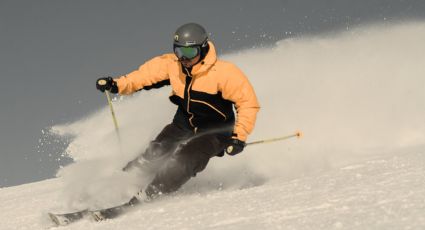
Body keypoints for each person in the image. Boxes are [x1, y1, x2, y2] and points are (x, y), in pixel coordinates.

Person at [96, 23, 260, 199]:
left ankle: (152, 193)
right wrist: (117, 84)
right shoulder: (173, 66)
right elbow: (143, 76)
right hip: (183, 125)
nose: (184, 58)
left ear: (203, 48)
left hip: (215, 132)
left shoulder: (224, 73)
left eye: (189, 53)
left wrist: (239, 138)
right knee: (155, 152)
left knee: (185, 159)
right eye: (179, 52)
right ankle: (120, 184)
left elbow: (248, 103)